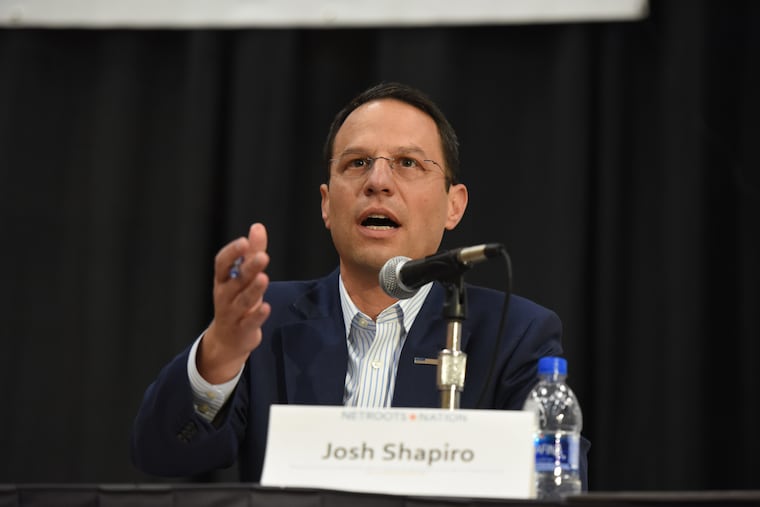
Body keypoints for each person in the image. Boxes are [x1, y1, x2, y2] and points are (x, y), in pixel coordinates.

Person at [130, 82, 589, 486]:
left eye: (408, 162)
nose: (378, 181)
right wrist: (220, 352)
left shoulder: (514, 333)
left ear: (454, 205)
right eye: (357, 163)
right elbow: (164, 455)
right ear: (327, 205)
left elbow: (557, 483)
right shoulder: (264, 320)